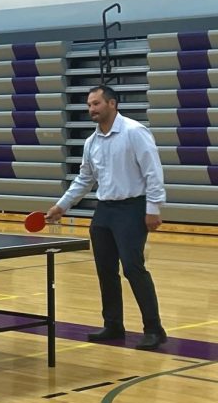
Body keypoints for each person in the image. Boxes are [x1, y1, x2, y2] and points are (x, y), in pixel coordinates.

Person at [46, 85, 167, 351]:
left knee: (133, 268)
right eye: (89, 105)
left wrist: (153, 208)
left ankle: (154, 329)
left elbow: (153, 172)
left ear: (112, 104)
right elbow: (85, 179)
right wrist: (62, 206)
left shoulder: (135, 133)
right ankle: (113, 325)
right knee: (105, 270)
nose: (92, 109)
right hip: (104, 211)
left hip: (133, 209)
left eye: (96, 104)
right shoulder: (91, 142)